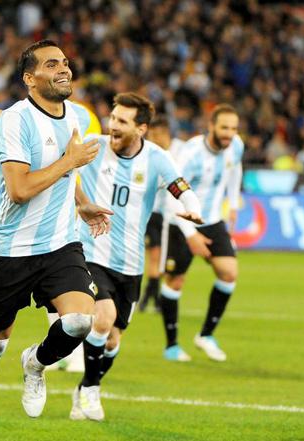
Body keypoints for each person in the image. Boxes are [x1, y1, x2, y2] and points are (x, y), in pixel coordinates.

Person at [0, 40, 112, 441]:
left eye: (64, 62)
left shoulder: (76, 115)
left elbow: (66, 174)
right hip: (12, 251)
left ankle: (36, 362)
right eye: (50, 64)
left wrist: (83, 203)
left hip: (61, 244)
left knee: (80, 321)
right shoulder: (16, 121)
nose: (64, 69)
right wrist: (70, 162)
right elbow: (20, 189)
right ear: (30, 78)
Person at [70, 93, 202, 421]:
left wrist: (192, 207)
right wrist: (82, 200)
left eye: (122, 121)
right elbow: (62, 172)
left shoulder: (156, 158)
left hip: (130, 263)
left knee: (113, 340)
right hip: (91, 251)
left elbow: (179, 186)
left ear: (141, 129)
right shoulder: (93, 146)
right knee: (102, 318)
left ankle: (86, 386)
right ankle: (90, 390)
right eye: (113, 118)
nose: (112, 126)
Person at [160, 104, 243, 362]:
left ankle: (206, 335)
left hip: (212, 219)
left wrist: (233, 204)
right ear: (211, 126)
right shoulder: (191, 154)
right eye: (224, 128)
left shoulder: (236, 145)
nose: (229, 133)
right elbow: (171, 195)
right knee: (175, 281)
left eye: (233, 128)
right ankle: (171, 345)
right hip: (180, 219)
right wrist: (190, 234)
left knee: (229, 273)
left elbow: (235, 170)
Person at [139, 116, 183, 313]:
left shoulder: (180, 152)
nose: (153, 139)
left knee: (166, 257)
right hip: (153, 212)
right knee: (155, 254)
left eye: (156, 135)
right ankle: (153, 294)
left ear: (166, 134)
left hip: (173, 215)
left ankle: (153, 293)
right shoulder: (148, 153)